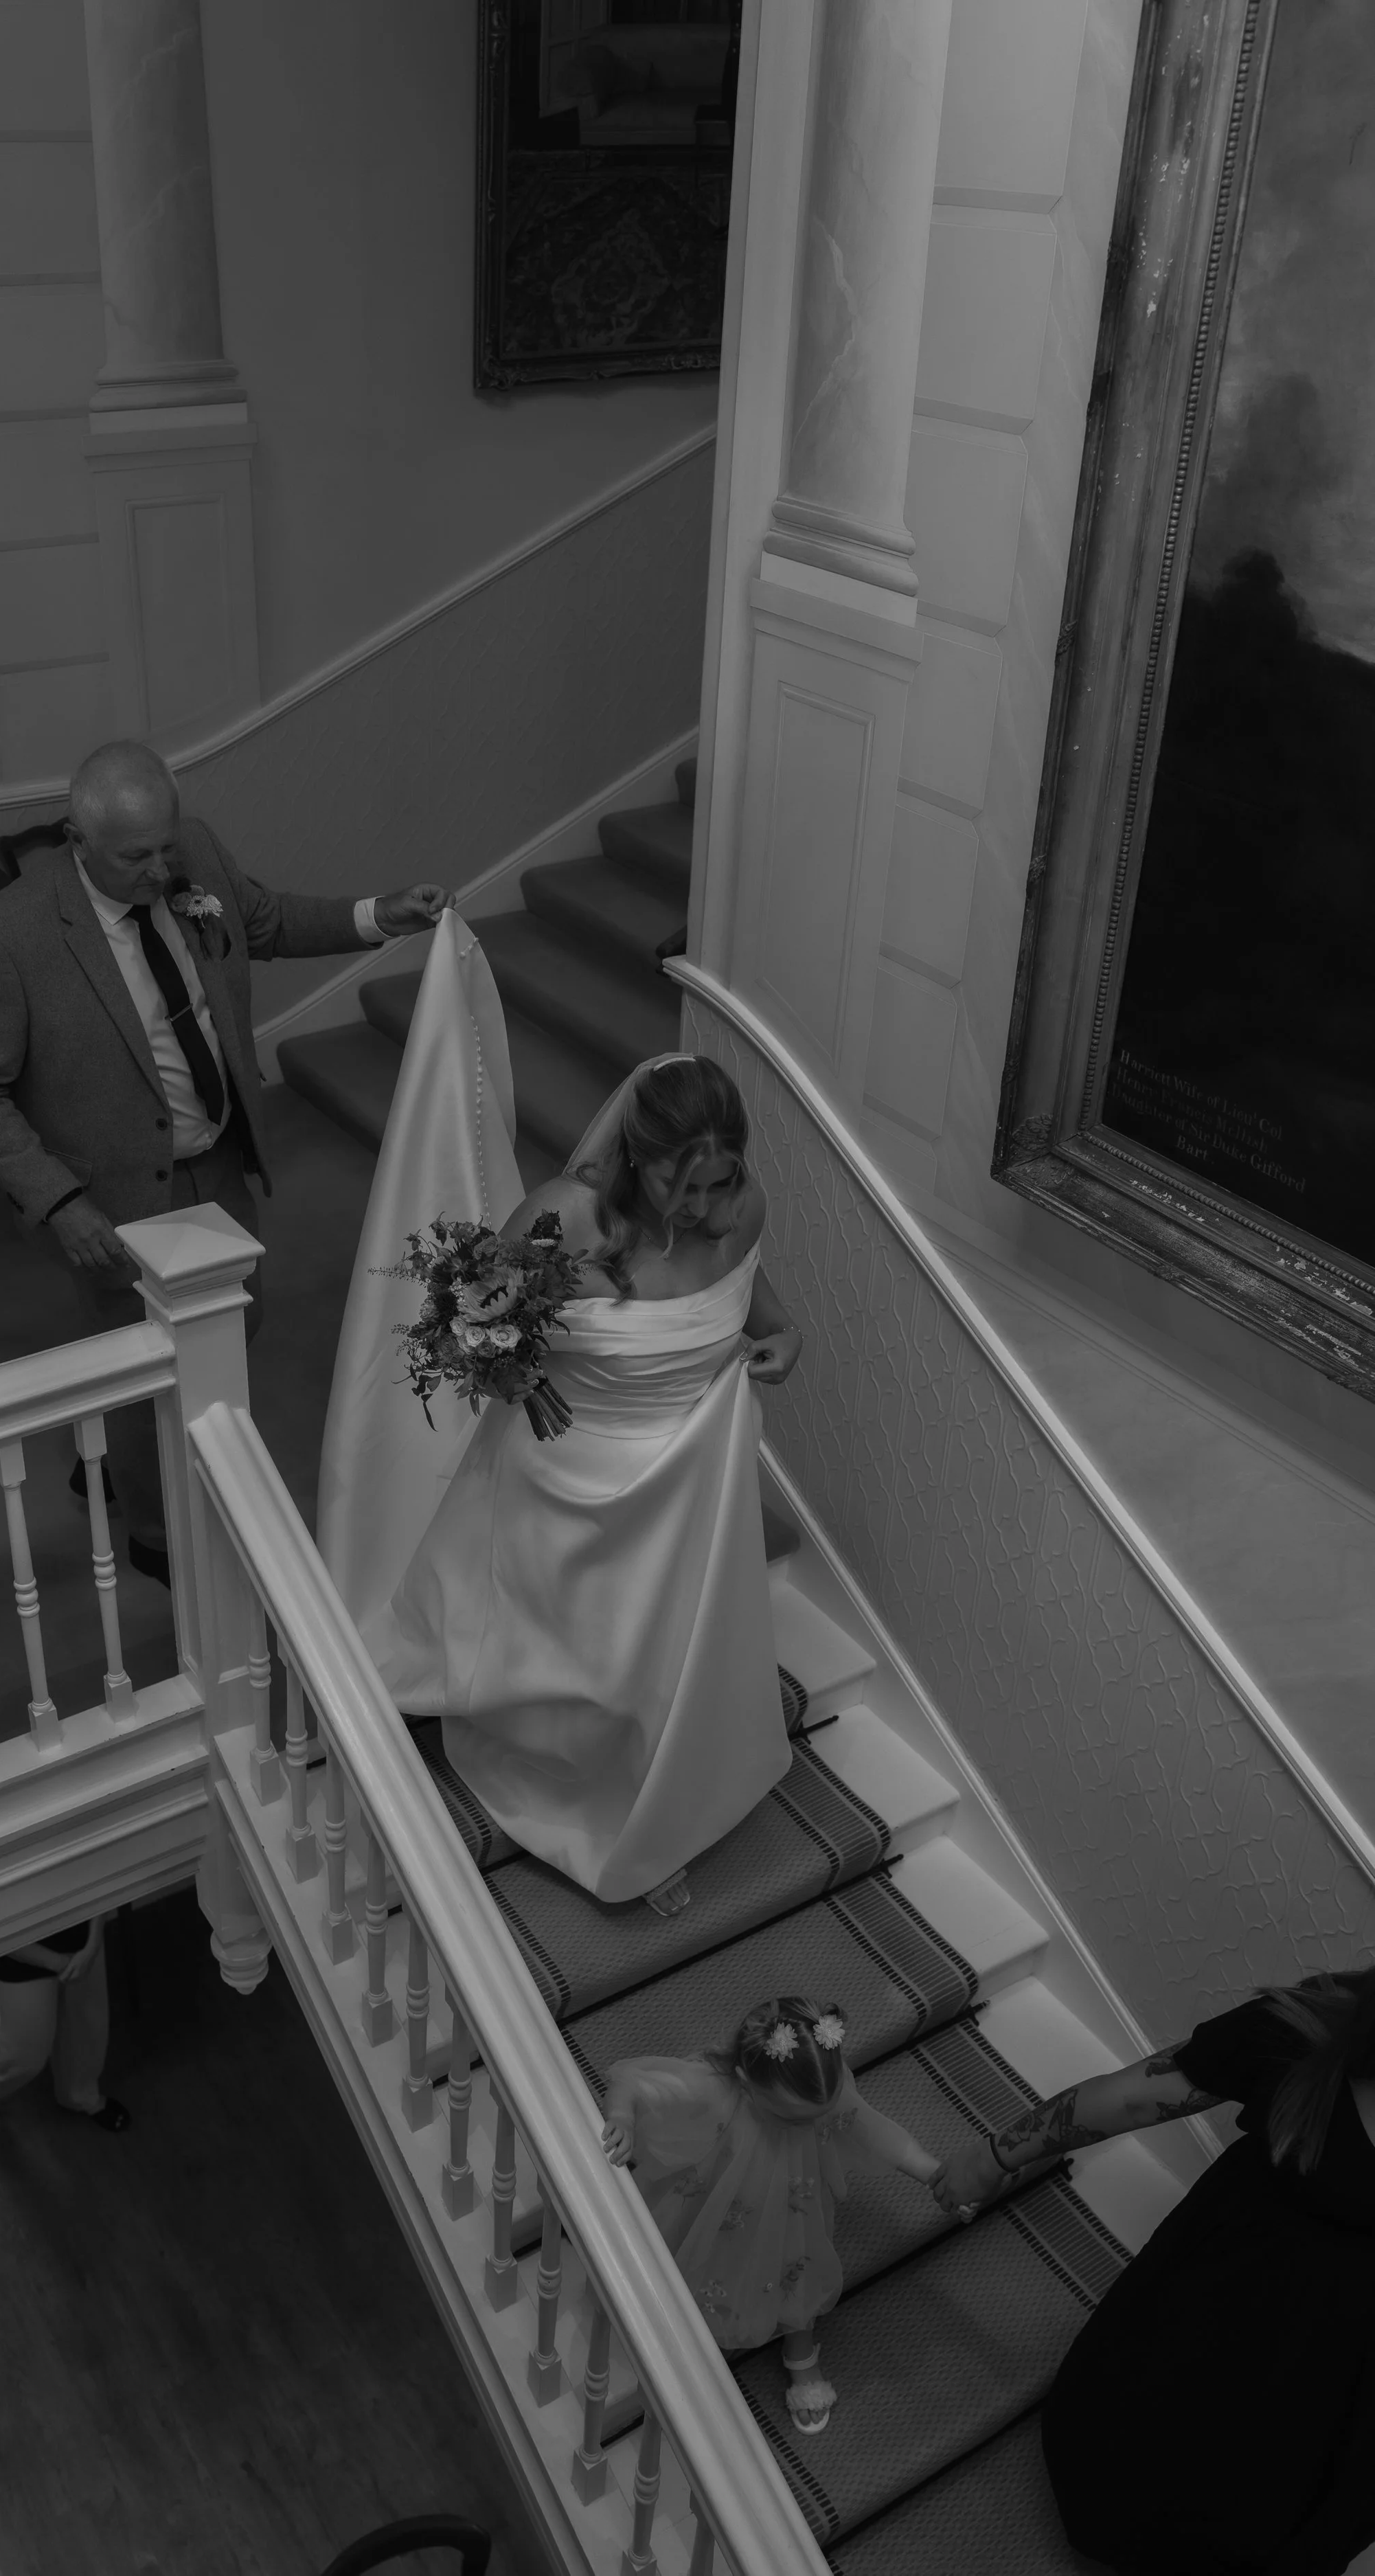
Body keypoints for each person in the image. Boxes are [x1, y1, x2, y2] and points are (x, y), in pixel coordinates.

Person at [0, 739, 444, 1583]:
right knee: (149, 1367)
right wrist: (60, 1203)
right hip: (114, 1194)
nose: (161, 870)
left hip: (215, 1150)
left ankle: (101, 1455)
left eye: (167, 847)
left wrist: (376, 915)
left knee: (232, 1326)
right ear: (78, 839)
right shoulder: (11, 939)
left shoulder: (193, 854)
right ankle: (157, 1536)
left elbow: (265, 920)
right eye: (136, 856)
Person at [363, 1049, 803, 1914]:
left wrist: (788, 1337)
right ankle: (574, 1792)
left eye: (722, 1183)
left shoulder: (743, 1209)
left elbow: (749, 1292)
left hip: (689, 1478)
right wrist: (515, 1378)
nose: (708, 1209)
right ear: (637, 1160)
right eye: (689, 1188)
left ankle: (654, 1797)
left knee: (662, 1653)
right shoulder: (565, 1221)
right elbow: (459, 1324)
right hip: (567, 1474)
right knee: (585, 1658)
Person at [932, 1965, 1375, 2576]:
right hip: (1205, 2315)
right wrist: (994, 2155)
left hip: (1340, 2392)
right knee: (1140, 2458)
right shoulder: (1311, 2025)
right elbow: (1136, 2096)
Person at [601, 1995, 944, 2434]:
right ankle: (686, 2339)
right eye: (793, 2117)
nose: (809, 2124)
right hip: (712, 2207)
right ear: (746, 2082)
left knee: (796, 2273)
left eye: (817, 2115)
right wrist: (622, 2118)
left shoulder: (820, 2088)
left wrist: (936, 2175)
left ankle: (800, 2352)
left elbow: (883, 2138)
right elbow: (633, 2085)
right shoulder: (715, 2087)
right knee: (695, 2266)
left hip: (791, 2210)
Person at [0, 1916, 129, 2129]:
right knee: (23, 2055)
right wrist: (58, 1962)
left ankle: (80, 2095)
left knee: (85, 2029)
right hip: (16, 1950)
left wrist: (93, 1943)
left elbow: (99, 1884)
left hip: (82, 1937)